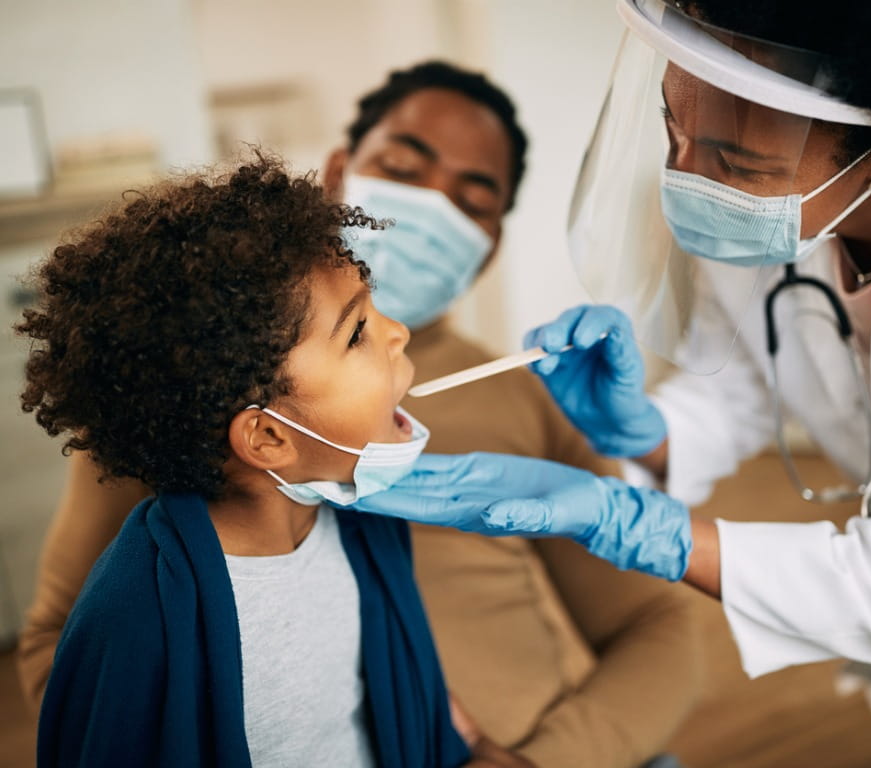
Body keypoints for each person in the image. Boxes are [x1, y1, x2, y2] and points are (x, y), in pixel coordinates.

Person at [351, 3, 871, 766]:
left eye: (736, 167)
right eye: (677, 132)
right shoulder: (768, 202)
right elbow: (736, 392)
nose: (690, 181)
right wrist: (642, 432)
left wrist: (637, 528)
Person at [17, 62, 698, 768]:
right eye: (403, 166)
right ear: (340, 171)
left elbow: (655, 622)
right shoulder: (176, 391)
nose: (430, 208)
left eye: (473, 198)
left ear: (492, 240)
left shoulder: (531, 391)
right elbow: (66, 648)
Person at [15, 153, 506, 768]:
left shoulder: (364, 523)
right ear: (268, 438)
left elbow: (393, 694)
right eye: (355, 333)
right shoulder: (132, 619)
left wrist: (480, 747)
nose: (398, 331)